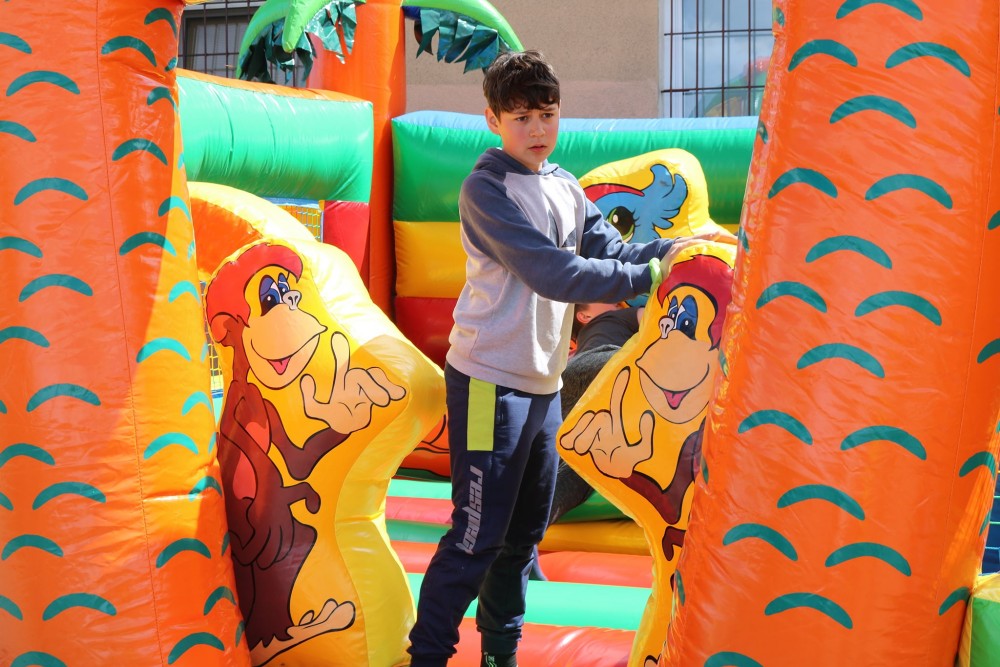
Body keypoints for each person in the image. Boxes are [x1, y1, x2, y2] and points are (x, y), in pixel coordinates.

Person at [406, 49, 735, 667]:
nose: (537, 129)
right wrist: (644, 277)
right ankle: (426, 657)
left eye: (547, 114)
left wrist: (676, 250)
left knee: (521, 538)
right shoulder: (486, 189)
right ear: (493, 120)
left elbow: (613, 247)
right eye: (521, 117)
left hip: (544, 385)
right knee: (477, 536)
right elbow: (553, 272)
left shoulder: (564, 184)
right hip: (488, 384)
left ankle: (499, 657)